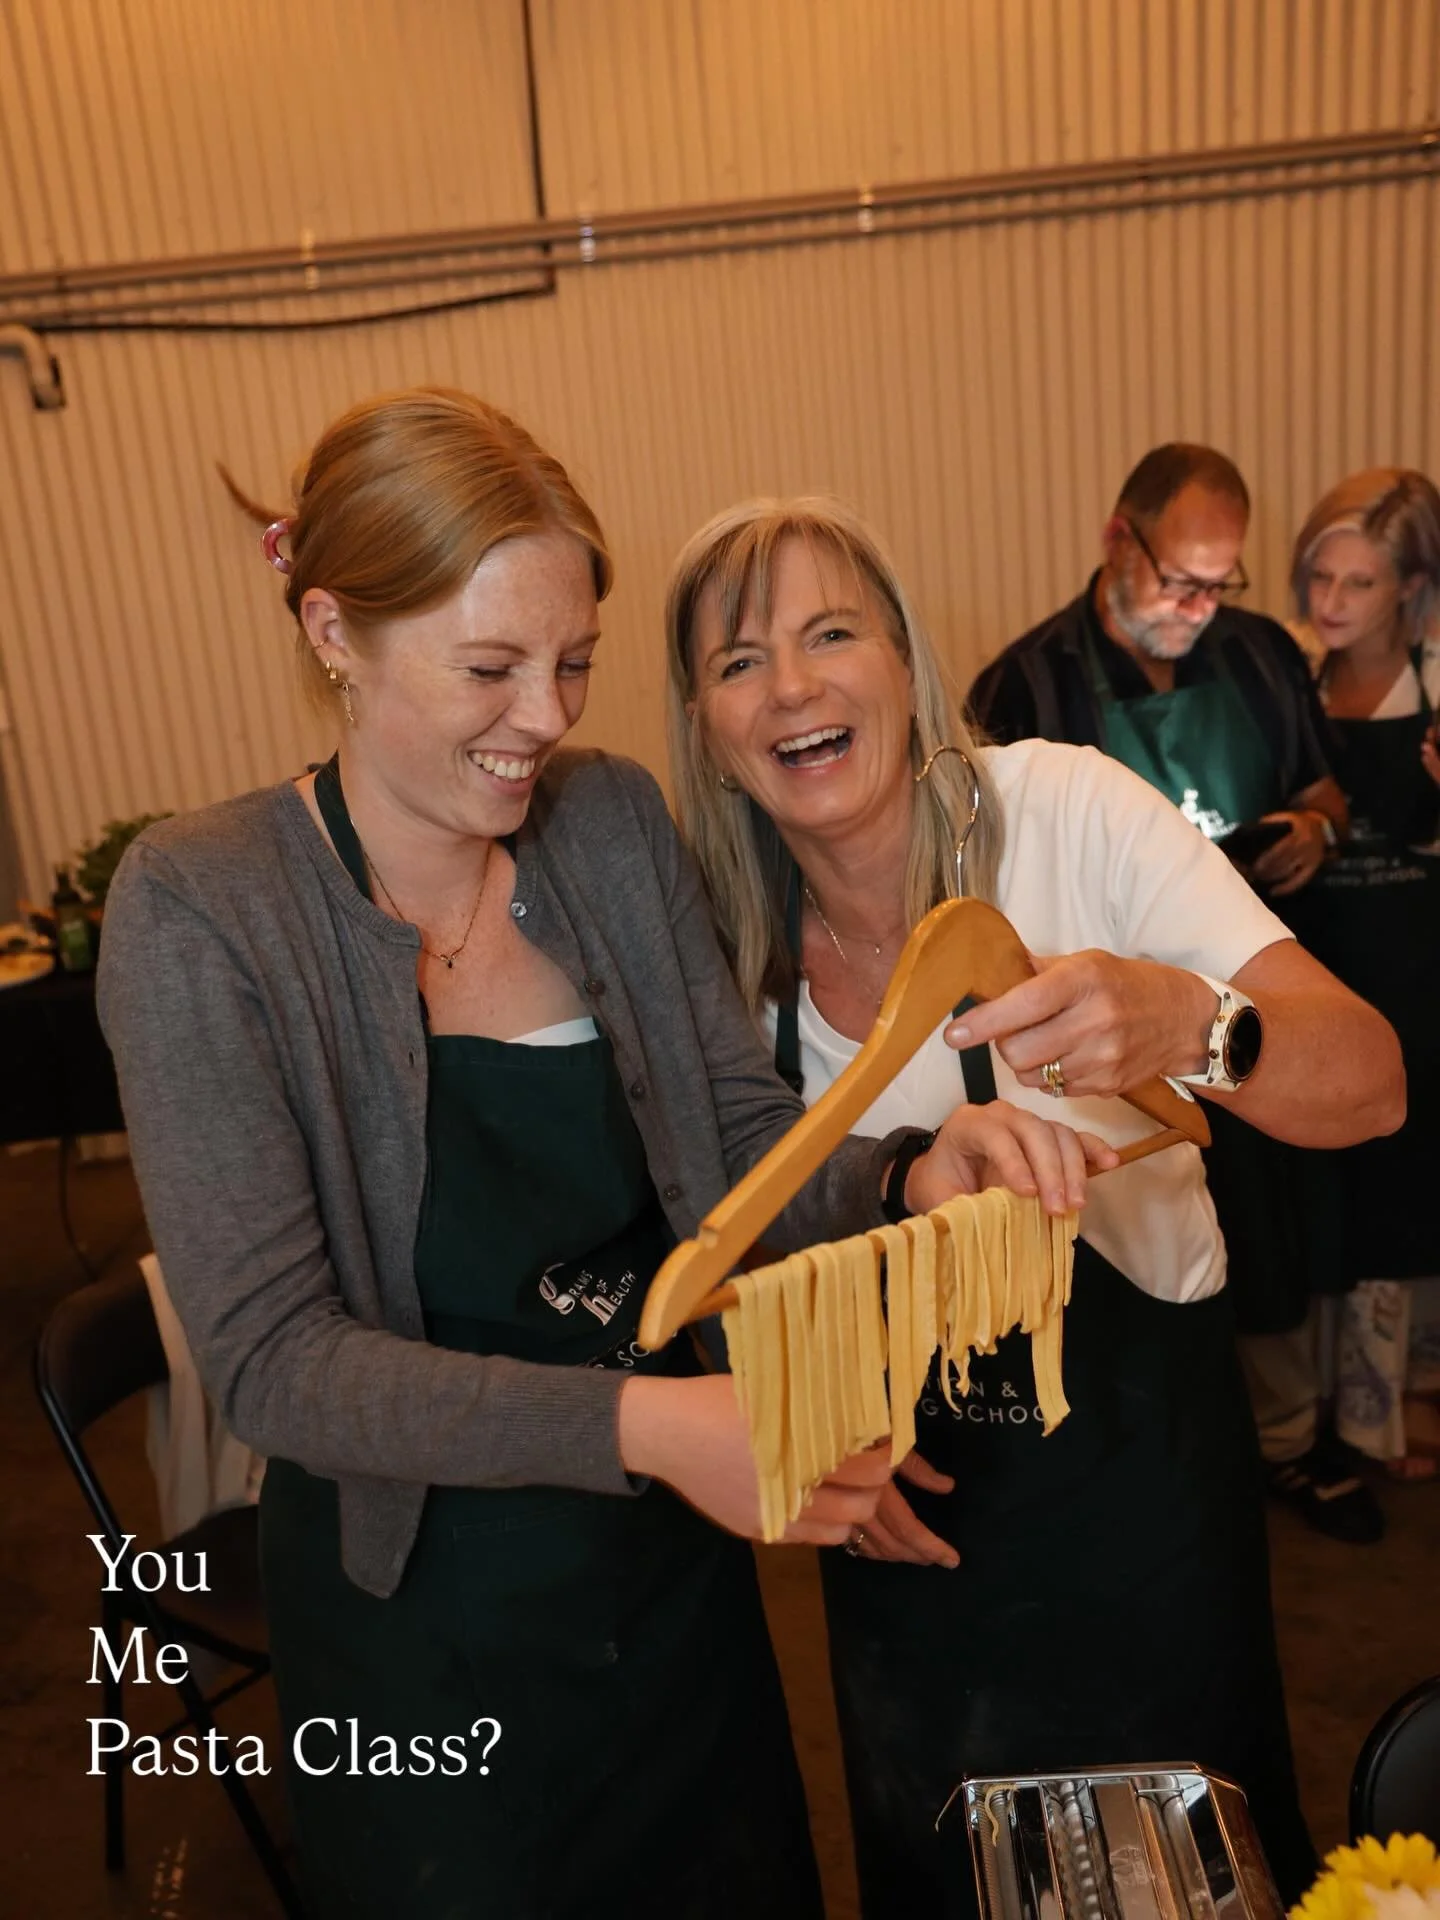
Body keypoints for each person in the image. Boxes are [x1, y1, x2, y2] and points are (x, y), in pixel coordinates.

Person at [96, 389, 1024, 1920]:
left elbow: (731, 1133)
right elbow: (274, 1361)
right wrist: (668, 1436)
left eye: (574, 661)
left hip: (667, 1600)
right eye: (490, 668)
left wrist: (903, 1176)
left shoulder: (602, 825)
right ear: (334, 631)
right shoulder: (207, 906)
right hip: (425, 1637)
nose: (548, 717)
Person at [664, 495, 1405, 1920]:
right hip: (908, 1578)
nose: (796, 686)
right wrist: (805, 1422)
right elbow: (707, 1256)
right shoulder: (715, 950)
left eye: (833, 633)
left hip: (1142, 1529)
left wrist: (1192, 1019)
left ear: (908, 663)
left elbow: (1368, 1083)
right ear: (703, 724)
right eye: (738, 661)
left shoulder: (1066, 812)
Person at [968, 443, 1387, 1544]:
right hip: (1098, 1046)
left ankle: (1291, 1438)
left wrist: (1317, 829)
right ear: (1119, 540)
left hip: (1251, 996)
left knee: (1282, 1223)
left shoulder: (1257, 658)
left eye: (1220, 585)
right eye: (1178, 581)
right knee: (1136, 1236)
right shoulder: (1026, 687)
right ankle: (1172, 1451)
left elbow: (1326, 785)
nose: (1198, 609)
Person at [1279, 469, 1440, 1476]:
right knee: (1321, 1186)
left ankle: (1391, 1411)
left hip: (1420, 969)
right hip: (1317, 957)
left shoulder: (1437, 677)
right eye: (1318, 577)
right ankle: (1331, 1411)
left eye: (1361, 584)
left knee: (1406, 1185)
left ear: (1413, 587)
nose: (1330, 603)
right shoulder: (1285, 672)